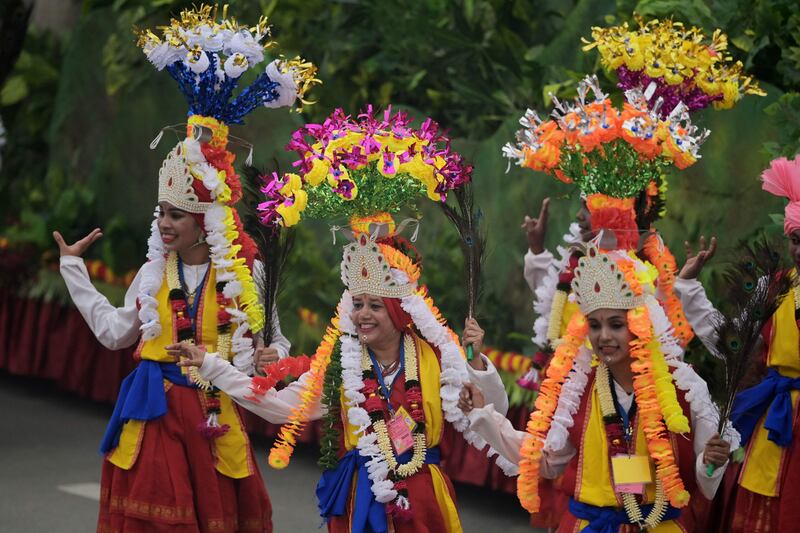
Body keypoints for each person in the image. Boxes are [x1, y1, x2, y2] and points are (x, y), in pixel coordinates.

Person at [52, 6, 317, 531]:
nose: (165, 223)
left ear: (206, 221)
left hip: (215, 414)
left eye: (177, 214)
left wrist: (273, 356)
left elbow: (275, 347)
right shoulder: (154, 274)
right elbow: (113, 333)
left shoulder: (247, 278)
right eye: (162, 213)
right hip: (155, 414)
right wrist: (72, 270)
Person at [172, 218, 509, 533]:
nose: (362, 315)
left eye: (375, 306)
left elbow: (495, 410)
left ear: (398, 311)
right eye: (358, 304)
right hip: (360, 499)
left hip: (424, 502)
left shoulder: (435, 358)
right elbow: (279, 406)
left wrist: (476, 363)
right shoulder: (341, 365)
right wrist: (211, 364)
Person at [461, 243, 735, 531]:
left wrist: (712, 462)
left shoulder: (683, 387)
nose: (604, 336)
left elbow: (706, 478)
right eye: (594, 325)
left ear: (639, 324)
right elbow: (544, 459)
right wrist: (484, 415)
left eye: (616, 325)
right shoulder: (578, 388)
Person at [674, 155, 800, 532]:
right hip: (776, 423)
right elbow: (730, 342)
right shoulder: (775, 286)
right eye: (796, 240)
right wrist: (688, 288)